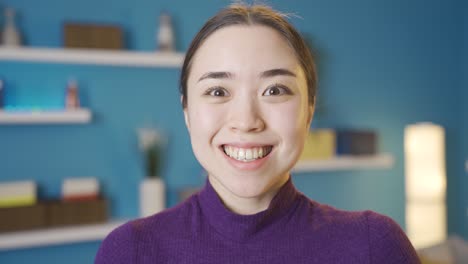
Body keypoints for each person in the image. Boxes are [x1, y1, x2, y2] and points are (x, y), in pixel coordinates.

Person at [95, 3, 421, 264]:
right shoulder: (130, 251)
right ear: (187, 112)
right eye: (218, 91)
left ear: (309, 110)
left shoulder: (373, 246)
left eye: (275, 89)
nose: (247, 121)